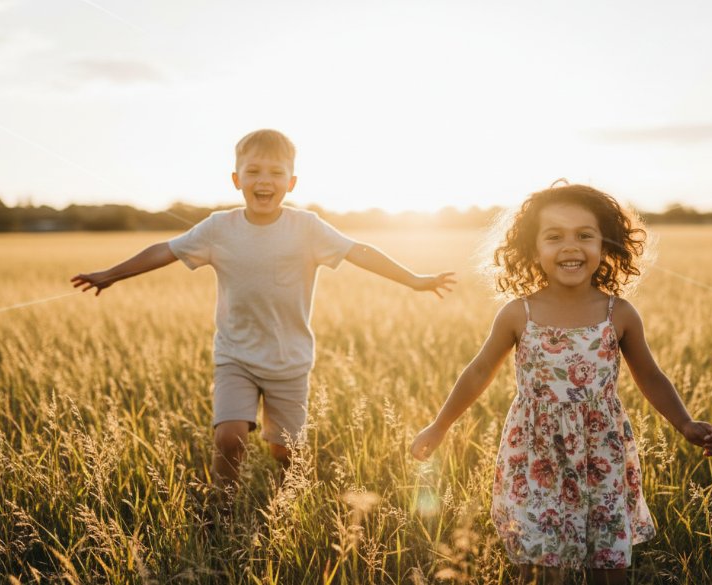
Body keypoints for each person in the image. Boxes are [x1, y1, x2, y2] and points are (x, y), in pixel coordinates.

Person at [72, 129, 455, 487]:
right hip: (235, 355)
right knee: (229, 437)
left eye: (276, 172)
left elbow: (361, 253)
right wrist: (112, 273)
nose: (264, 181)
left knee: (285, 451)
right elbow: (166, 250)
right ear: (236, 179)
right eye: (252, 171)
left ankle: (288, 502)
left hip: (289, 360)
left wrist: (415, 280)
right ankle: (221, 511)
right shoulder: (217, 228)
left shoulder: (307, 228)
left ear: (291, 183)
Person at [410, 181, 712, 584]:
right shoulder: (518, 314)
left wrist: (685, 423)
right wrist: (440, 425)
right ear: (532, 249)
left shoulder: (620, 314)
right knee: (542, 569)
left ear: (605, 245)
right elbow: (478, 371)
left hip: (602, 453)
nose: (570, 246)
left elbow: (651, 375)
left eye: (584, 235)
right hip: (535, 453)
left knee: (608, 567)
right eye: (554, 236)